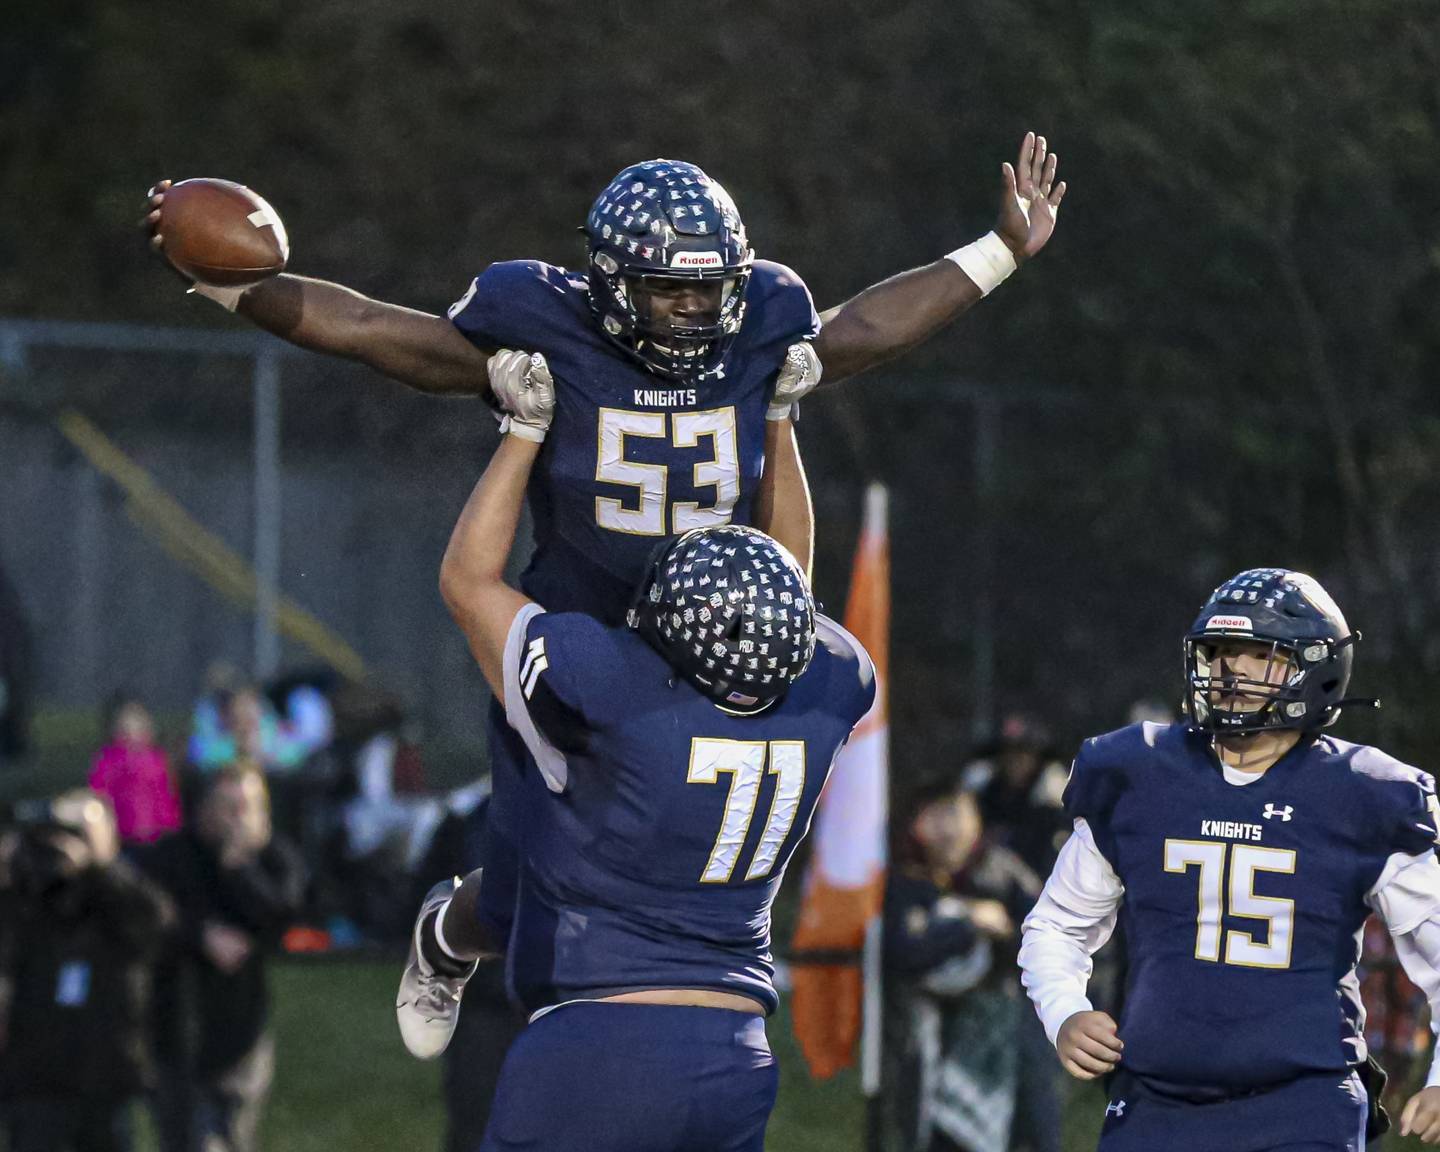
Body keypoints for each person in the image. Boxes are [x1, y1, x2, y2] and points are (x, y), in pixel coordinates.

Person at [393, 400, 877, 1150]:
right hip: (738, 1053)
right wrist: (778, 420)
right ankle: (455, 930)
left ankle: (453, 926)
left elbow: (467, 580)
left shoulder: (617, 696)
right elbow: (792, 582)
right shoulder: (831, 692)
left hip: (600, 1039)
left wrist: (523, 433)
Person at [1019, 568, 1440, 1151]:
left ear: (1314, 667)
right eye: (1219, 653)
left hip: (1302, 1104)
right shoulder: (1141, 774)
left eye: (1257, 654)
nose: (1231, 671)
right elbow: (1057, 924)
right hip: (1155, 1100)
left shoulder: (1364, 794)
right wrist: (1064, 1011)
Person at [138, 765, 306, 1152]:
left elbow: (283, 917)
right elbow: (146, 916)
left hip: (240, 1029)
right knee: (181, 1136)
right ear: (204, 808)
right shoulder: (171, 856)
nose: (240, 819)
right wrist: (200, 936)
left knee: (228, 1137)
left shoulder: (272, 858)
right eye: (229, 807)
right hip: (176, 1024)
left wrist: (239, 866)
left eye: (249, 807)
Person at [0, 791, 173, 1152]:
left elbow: (153, 922)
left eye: (76, 833)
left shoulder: (118, 895)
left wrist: (101, 865)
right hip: (35, 1080)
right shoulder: (26, 896)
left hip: (106, 1078)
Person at [883, 783, 1044, 1152]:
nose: (948, 828)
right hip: (921, 1036)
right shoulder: (903, 880)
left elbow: (1046, 941)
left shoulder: (1002, 871)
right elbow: (903, 952)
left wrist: (1004, 932)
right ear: (916, 822)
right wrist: (969, 923)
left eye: (956, 813)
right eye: (936, 815)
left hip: (997, 1039)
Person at [89, 693, 183, 846]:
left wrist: (171, 824)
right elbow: (99, 791)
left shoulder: (157, 757)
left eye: (136, 721)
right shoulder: (108, 758)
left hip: (158, 833)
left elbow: (167, 794)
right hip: (122, 833)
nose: (131, 727)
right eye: (126, 721)